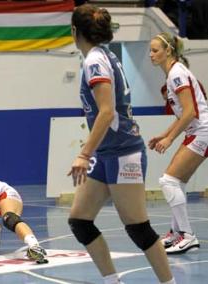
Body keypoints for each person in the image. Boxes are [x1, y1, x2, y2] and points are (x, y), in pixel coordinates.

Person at [67, 4, 175, 284]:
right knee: (80, 220)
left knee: (138, 227)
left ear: (75, 31)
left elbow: (107, 111)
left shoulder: (94, 61)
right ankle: (112, 281)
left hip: (123, 153)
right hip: (105, 154)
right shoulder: (103, 55)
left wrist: (83, 153)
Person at [149, 32, 205, 254]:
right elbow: (183, 116)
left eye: (155, 50)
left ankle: (187, 235)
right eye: (150, 51)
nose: (151, 55)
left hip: (202, 131)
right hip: (196, 131)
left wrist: (170, 139)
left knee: (168, 181)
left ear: (168, 51)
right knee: (176, 181)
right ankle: (175, 233)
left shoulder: (176, 74)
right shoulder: (173, 74)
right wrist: (164, 134)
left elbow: (190, 112)